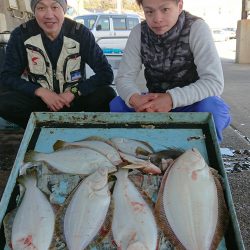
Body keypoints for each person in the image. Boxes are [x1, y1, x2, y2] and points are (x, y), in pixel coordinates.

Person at [110, 0, 231, 143]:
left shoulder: (197, 28)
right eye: (149, 11)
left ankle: (203, 156)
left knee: (212, 108)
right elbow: (124, 78)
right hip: (154, 105)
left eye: (165, 9)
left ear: (179, 6)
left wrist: (171, 99)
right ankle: (138, 150)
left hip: (192, 104)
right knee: (117, 103)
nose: (157, 19)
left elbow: (214, 83)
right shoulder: (138, 32)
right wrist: (135, 99)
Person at [0, 0, 116, 128]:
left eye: (55, 7)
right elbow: (7, 77)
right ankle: (38, 127)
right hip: (39, 103)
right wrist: (40, 91)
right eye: (41, 8)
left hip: (73, 99)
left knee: (107, 93)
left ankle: (83, 128)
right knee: (4, 102)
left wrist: (73, 92)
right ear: (34, 11)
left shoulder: (80, 33)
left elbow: (106, 73)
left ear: (64, 10)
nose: (49, 15)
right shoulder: (21, 34)